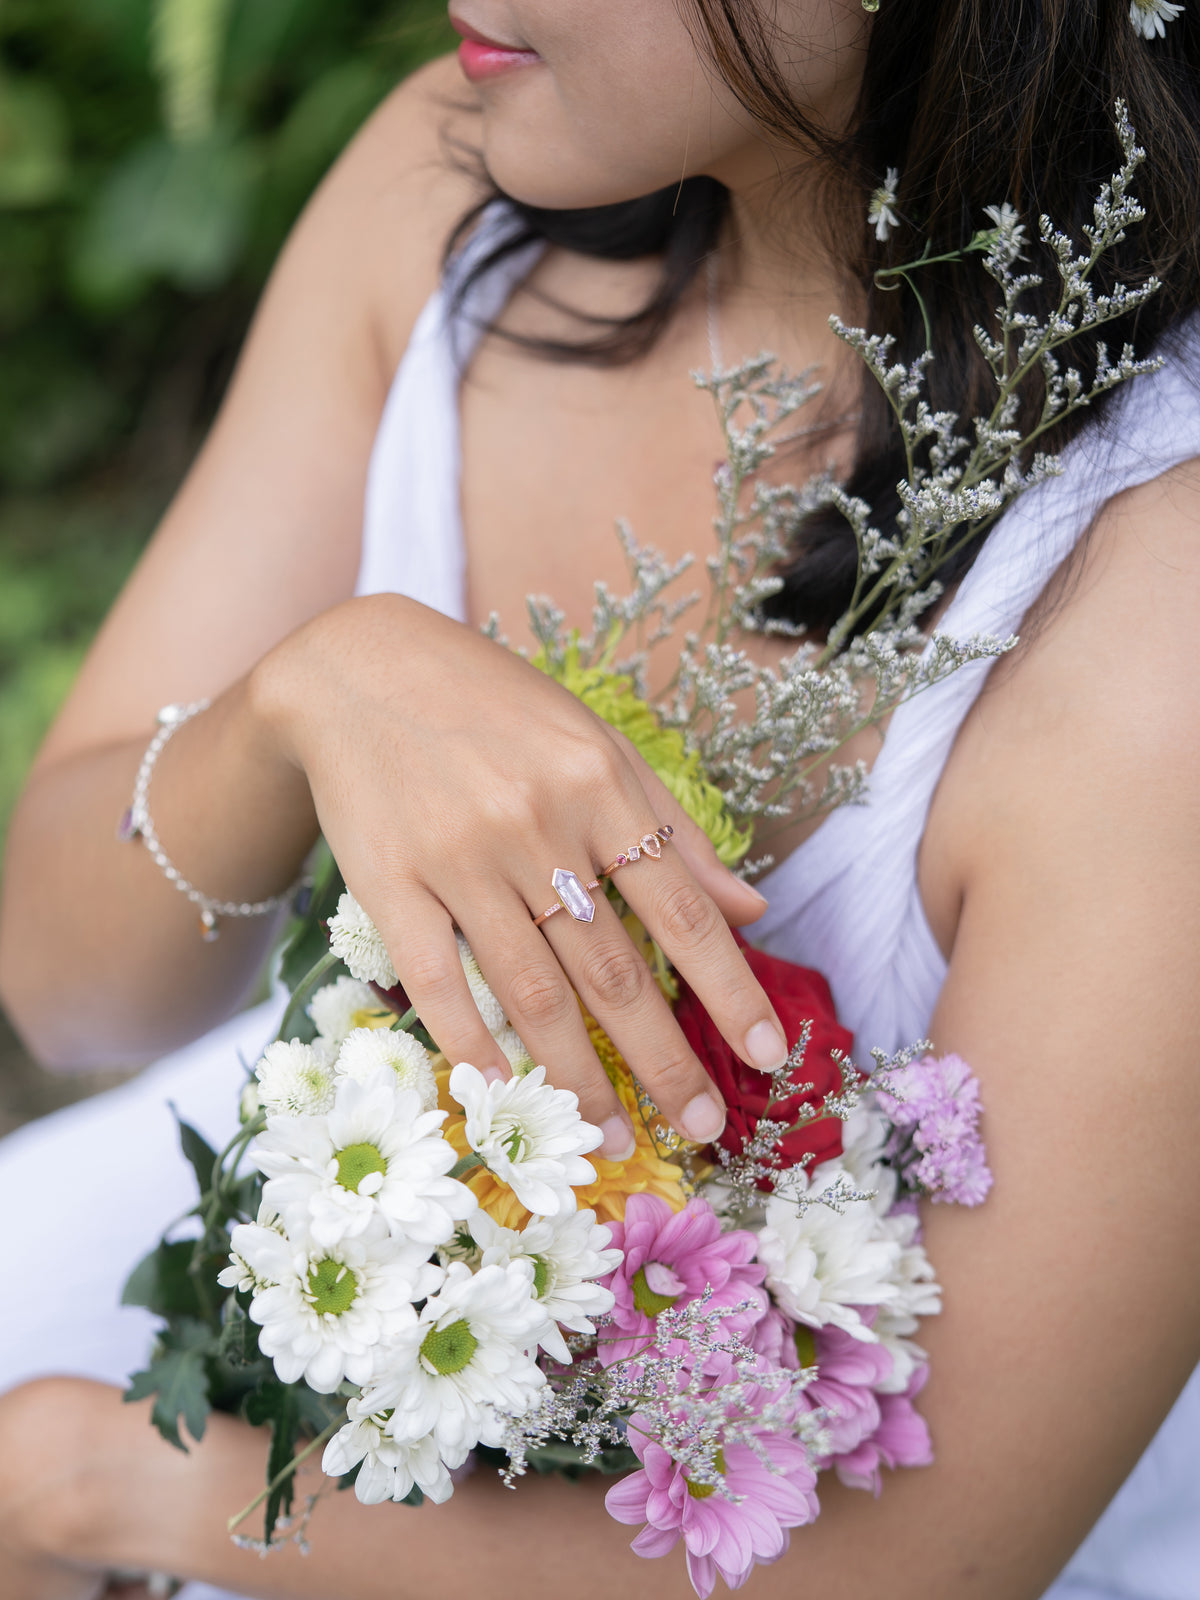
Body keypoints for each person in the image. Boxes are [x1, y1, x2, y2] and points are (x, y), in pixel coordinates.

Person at [0, 2, 1198, 1597]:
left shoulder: (1150, 599)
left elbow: (921, 1565)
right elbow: (70, 989)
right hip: (324, 1310)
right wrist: (305, 699)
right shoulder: (444, 197)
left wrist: (103, 1489)